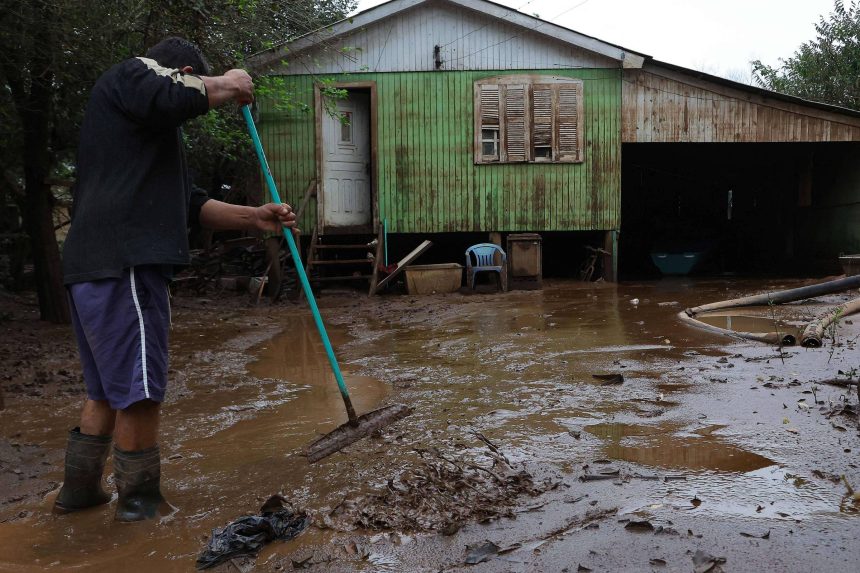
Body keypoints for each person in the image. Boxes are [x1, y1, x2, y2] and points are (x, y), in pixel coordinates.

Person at [55, 37, 296, 522]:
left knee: (106, 390)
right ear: (182, 70)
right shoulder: (134, 75)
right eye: (191, 80)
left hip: (93, 266)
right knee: (141, 390)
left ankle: (80, 495)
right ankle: (142, 510)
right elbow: (172, 91)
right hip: (125, 263)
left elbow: (193, 206)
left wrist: (255, 217)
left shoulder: (139, 138)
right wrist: (229, 83)